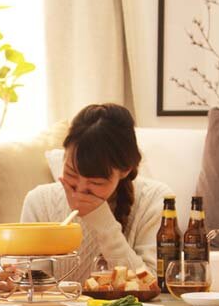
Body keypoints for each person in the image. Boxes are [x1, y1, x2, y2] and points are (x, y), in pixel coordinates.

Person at [20, 103, 172, 282]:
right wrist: (17, 279)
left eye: (95, 182)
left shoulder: (155, 199)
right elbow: (32, 284)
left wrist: (102, 221)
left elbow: (151, 285)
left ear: (124, 170)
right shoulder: (39, 201)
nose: (81, 188)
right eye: (71, 172)